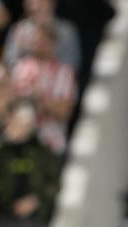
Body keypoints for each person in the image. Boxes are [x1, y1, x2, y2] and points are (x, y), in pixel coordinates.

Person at [0, 99, 59, 227]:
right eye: (16, 120)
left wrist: (36, 201)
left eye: (24, 121)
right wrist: (9, 205)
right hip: (4, 221)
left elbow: (53, 184)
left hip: (35, 221)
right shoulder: (1, 154)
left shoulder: (43, 154)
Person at [9, 21, 77, 155]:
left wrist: (39, 97)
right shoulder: (20, 68)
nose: (37, 43)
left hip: (50, 143)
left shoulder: (65, 73)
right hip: (19, 141)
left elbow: (64, 113)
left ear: (52, 42)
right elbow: (8, 103)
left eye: (41, 39)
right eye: (34, 39)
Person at [2, 0, 81, 70]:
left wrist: (48, 53)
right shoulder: (19, 29)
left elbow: (73, 63)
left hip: (55, 81)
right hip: (23, 81)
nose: (36, 4)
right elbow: (9, 61)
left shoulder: (67, 31)